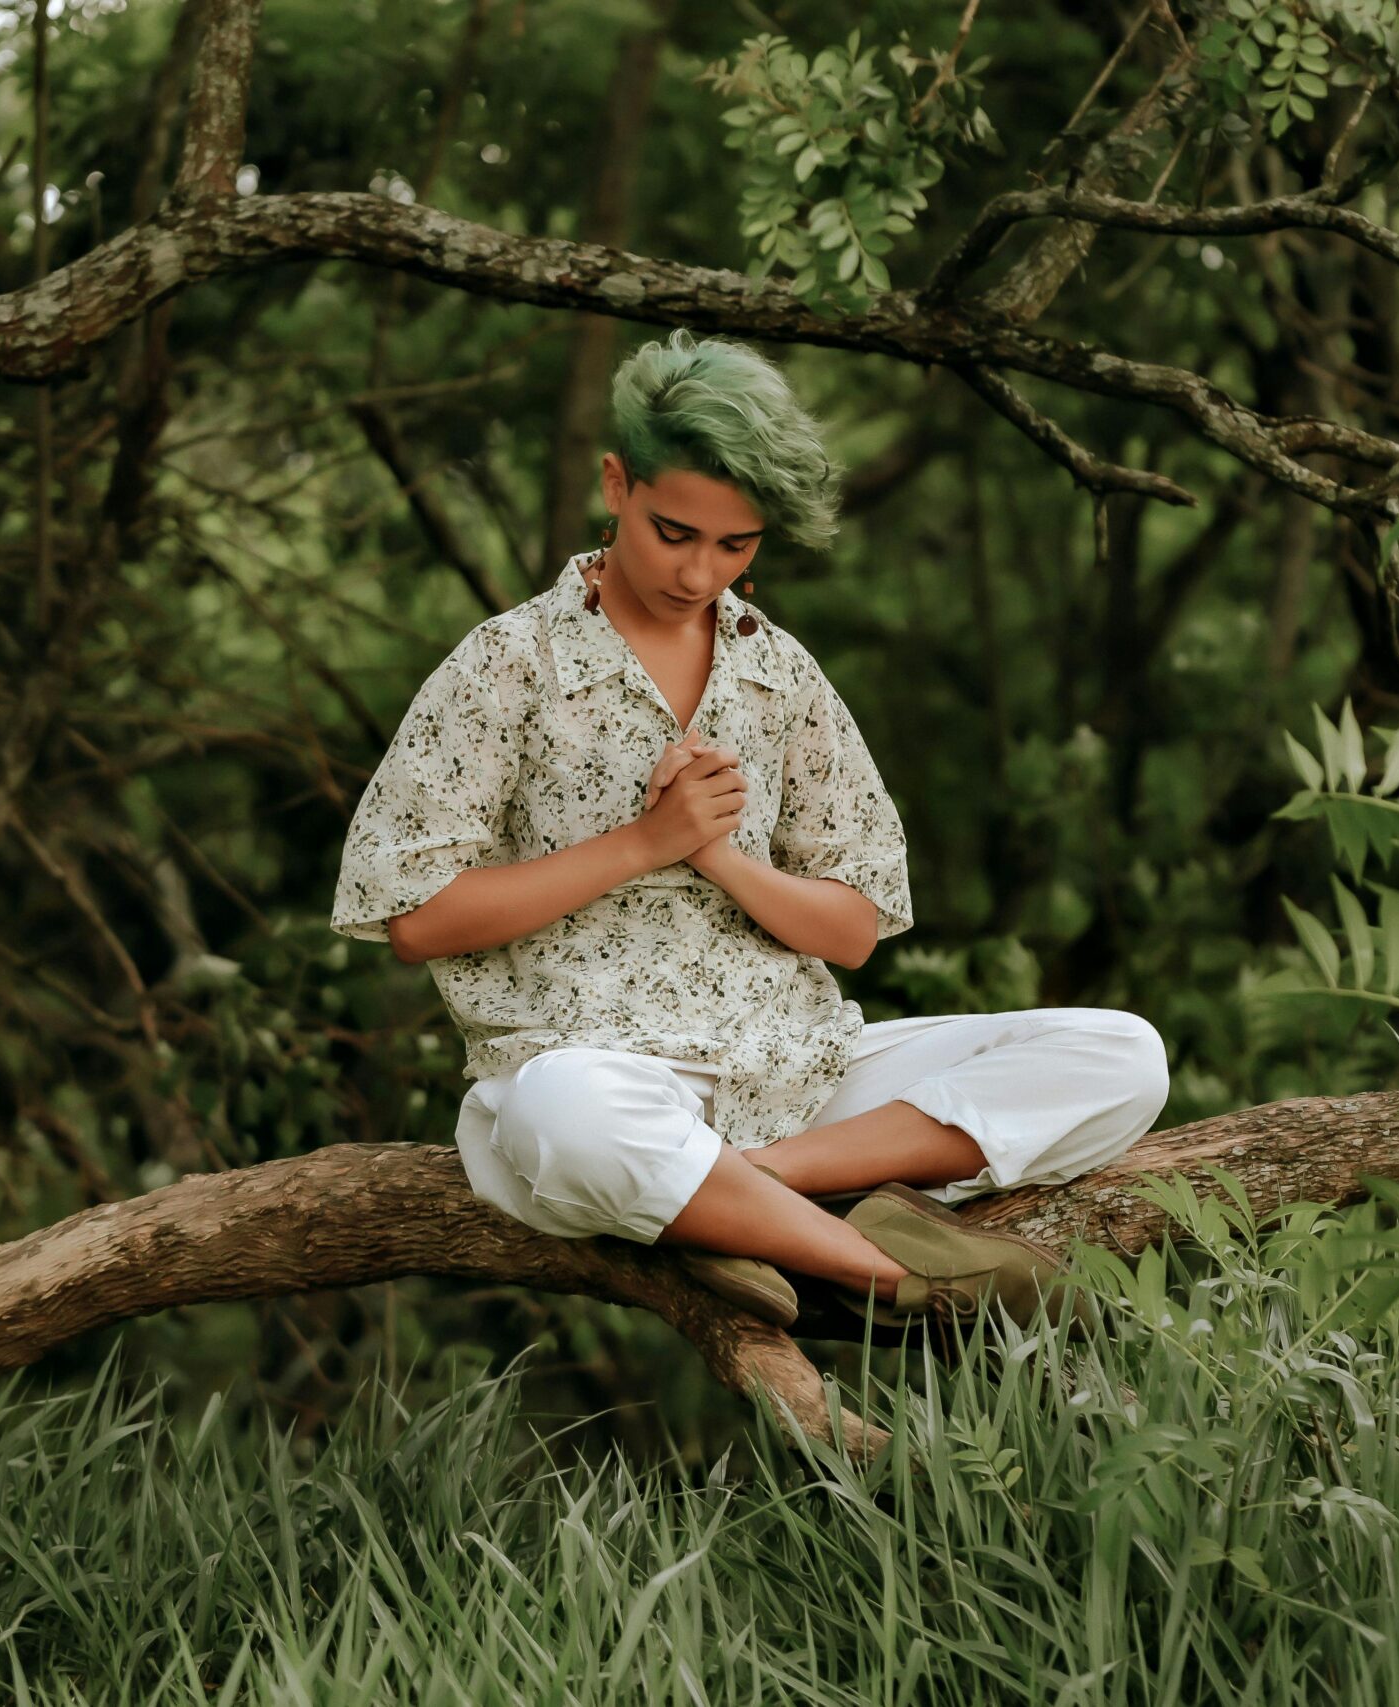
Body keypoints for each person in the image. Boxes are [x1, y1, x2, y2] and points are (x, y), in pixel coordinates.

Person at [329, 328, 1169, 1332]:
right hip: (599, 1072)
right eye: (673, 532)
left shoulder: (779, 673)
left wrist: (719, 858)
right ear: (615, 483)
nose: (699, 575)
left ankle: (752, 1189)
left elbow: (853, 927)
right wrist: (640, 845)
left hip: (803, 1072)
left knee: (1120, 1054)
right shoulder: (506, 663)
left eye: (737, 545)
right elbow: (415, 915)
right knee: (563, 1123)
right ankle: (889, 1281)